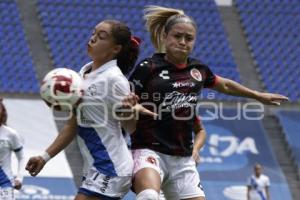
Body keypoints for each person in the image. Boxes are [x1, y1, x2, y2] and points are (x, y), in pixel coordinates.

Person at [128, 5, 288, 200]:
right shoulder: (148, 67)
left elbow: (225, 86)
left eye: (189, 38)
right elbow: (123, 99)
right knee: (149, 197)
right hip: (149, 150)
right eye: (177, 36)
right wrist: (132, 107)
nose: (183, 42)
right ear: (165, 36)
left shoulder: (198, 69)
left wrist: (257, 95)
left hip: (183, 158)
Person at [25, 19, 154, 200]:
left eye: (101, 37)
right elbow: (73, 125)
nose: (93, 39)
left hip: (111, 167)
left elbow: (131, 128)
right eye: (93, 33)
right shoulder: (82, 74)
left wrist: (129, 110)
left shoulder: (114, 79)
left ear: (116, 49)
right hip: (94, 166)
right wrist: (44, 157)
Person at [0, 98, 25, 200]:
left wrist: (19, 178)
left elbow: (21, 157)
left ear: (3, 111)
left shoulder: (11, 134)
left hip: (4, 183)